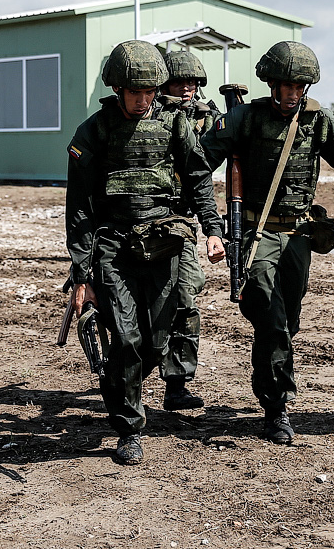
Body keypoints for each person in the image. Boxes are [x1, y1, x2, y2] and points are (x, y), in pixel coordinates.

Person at [65, 40, 225, 465]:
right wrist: (82, 276)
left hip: (163, 241)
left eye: (149, 92)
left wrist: (212, 230)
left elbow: (198, 177)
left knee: (155, 341)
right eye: (134, 92)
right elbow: (79, 208)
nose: (142, 100)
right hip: (113, 246)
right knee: (126, 338)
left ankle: (120, 384)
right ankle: (129, 428)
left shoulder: (175, 124)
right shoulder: (94, 131)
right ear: (117, 89)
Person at [200, 41, 334, 445]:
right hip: (255, 233)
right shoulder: (244, 118)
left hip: (298, 236)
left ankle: (271, 378)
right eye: (286, 86)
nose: (293, 94)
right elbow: (199, 162)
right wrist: (211, 224)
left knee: (288, 321)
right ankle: (277, 407)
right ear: (271, 84)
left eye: (300, 87)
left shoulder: (319, 122)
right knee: (270, 318)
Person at [157, 51, 222, 411]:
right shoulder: (148, 113)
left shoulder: (208, 118)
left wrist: (213, 229)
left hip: (181, 221)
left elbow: (203, 173)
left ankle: (176, 384)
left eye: (192, 82)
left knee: (185, 297)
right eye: (178, 82)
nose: (186, 88)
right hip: (138, 220)